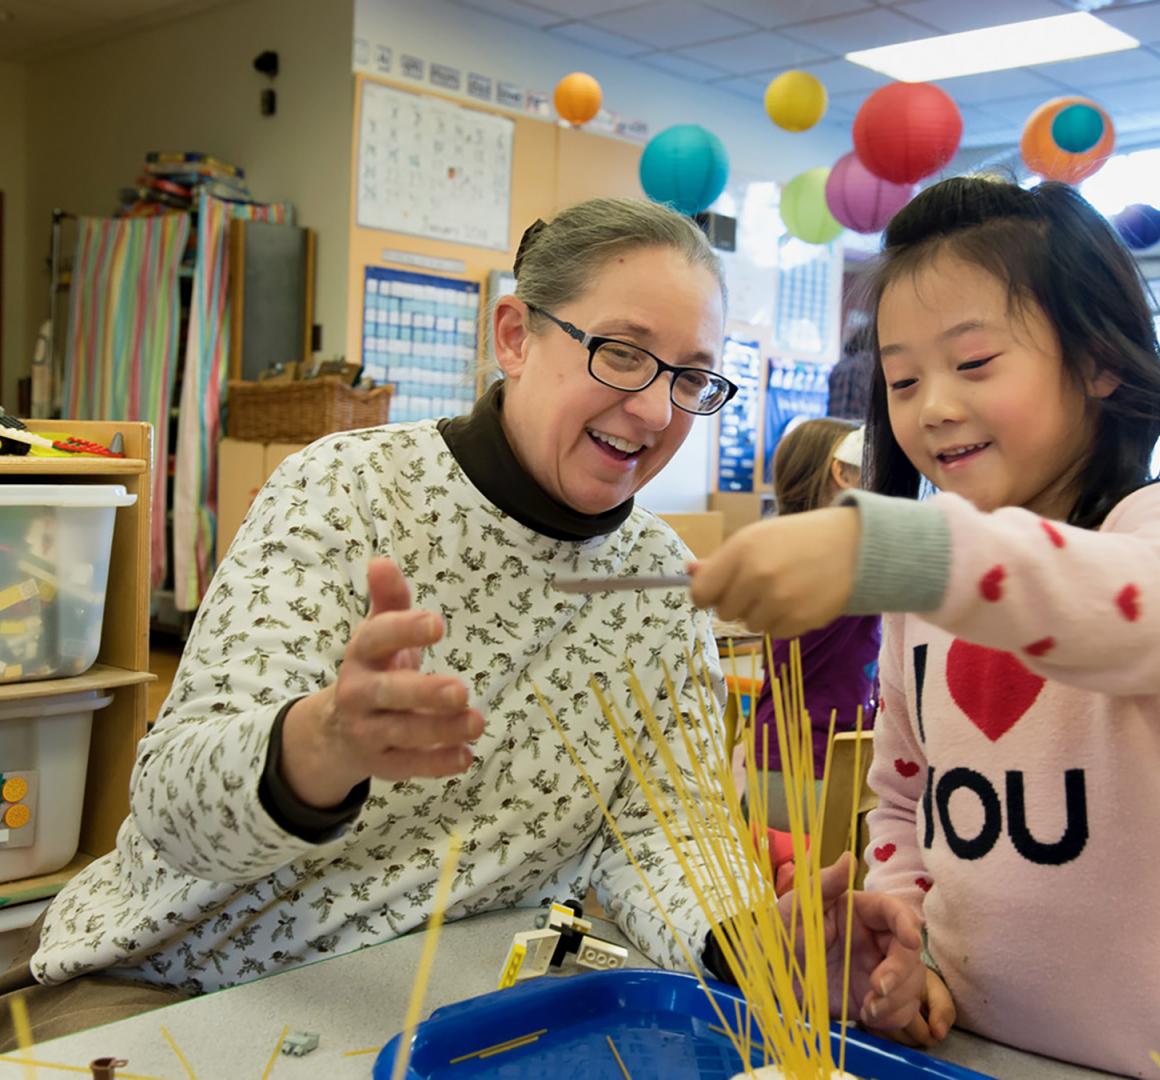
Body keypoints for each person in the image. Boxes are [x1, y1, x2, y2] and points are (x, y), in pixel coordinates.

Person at [4, 196, 922, 1047]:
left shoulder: (664, 588)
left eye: (690, 376)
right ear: (516, 335)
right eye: (623, 353)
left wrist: (747, 948)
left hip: (445, 1013)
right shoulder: (346, 493)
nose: (652, 408)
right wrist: (317, 746)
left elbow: (658, 834)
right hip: (180, 989)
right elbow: (170, 812)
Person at [690, 175, 1160, 1077]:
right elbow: (904, 798)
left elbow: (1115, 603)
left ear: (1100, 359)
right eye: (903, 379)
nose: (933, 406)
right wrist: (906, 945)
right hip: (961, 1051)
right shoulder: (922, 602)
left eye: (975, 363)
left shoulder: (1135, 538)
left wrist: (901, 550)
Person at [752, 418, 880, 831]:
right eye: (870, 468)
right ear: (843, 473)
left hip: (804, 759)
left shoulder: (795, 549)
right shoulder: (830, 555)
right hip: (807, 768)